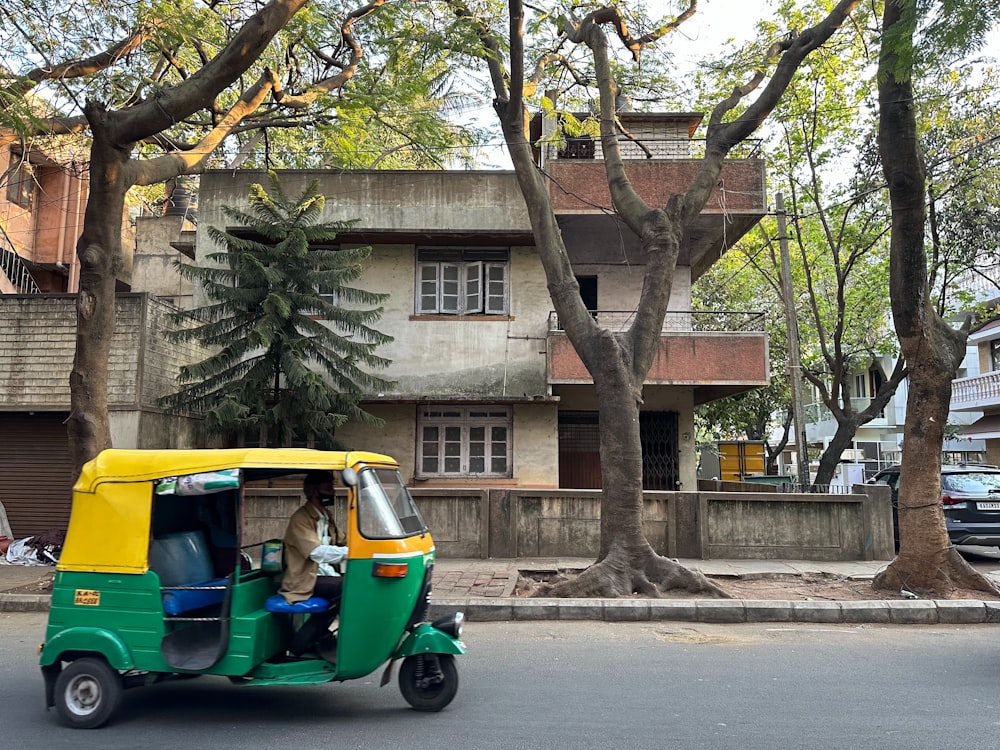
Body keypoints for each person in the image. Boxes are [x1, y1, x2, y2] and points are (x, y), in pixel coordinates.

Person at [278, 470, 347, 606]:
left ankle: (322, 626)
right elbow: (316, 552)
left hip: (325, 574)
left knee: (361, 580)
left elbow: (343, 539)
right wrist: (350, 553)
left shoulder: (325, 516)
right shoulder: (301, 519)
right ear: (314, 492)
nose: (333, 492)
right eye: (328, 488)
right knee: (348, 587)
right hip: (304, 581)